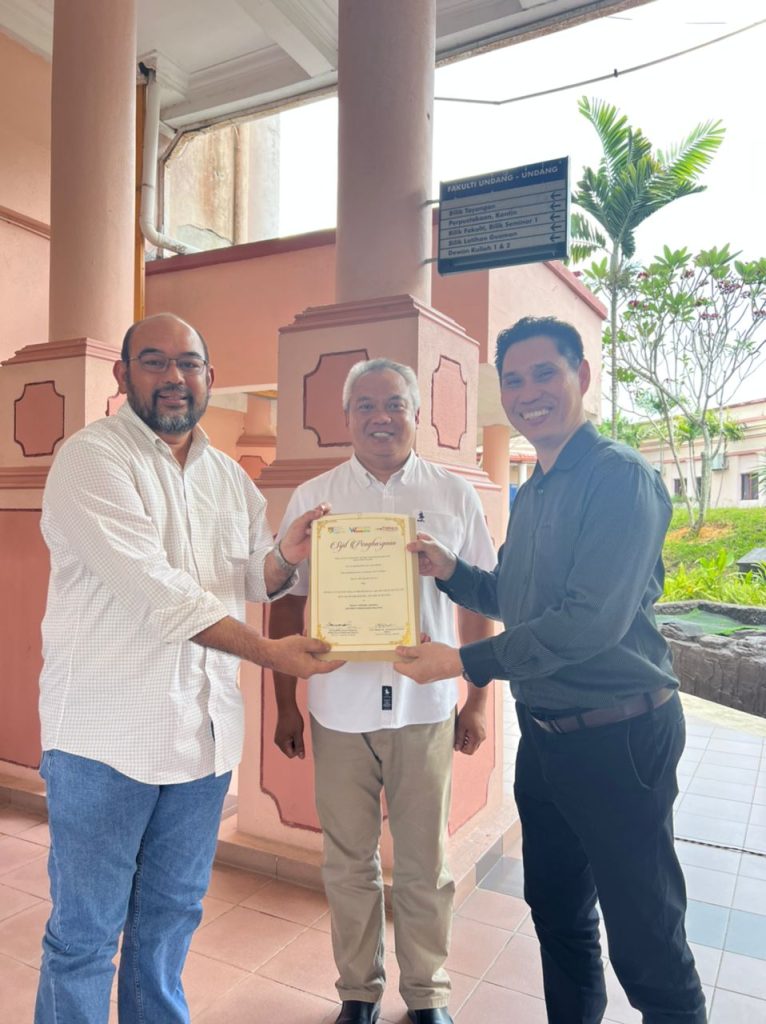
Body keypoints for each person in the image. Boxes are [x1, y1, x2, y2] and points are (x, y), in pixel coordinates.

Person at [395, 317, 706, 1024]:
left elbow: (588, 622)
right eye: (514, 380)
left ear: (582, 377)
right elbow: (513, 595)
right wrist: (450, 570)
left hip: (620, 736)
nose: (528, 392)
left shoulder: (620, 479)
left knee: (646, 936)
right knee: (558, 912)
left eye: (545, 374)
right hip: (546, 738)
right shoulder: (535, 487)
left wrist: (462, 662)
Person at [35, 312, 341, 1024]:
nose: (174, 377)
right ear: (123, 375)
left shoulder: (229, 477)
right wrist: (269, 653)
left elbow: (247, 576)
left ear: (210, 377)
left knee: (169, 921)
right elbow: (158, 593)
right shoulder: (91, 459)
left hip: (202, 742)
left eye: (189, 364)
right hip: (104, 742)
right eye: (154, 361)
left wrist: (286, 556)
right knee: (85, 937)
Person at [269, 358, 496, 1024]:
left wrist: (478, 699)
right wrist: (285, 703)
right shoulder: (315, 499)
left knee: (426, 864)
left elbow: (479, 602)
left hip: (425, 709)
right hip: (338, 709)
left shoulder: (454, 495)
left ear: (416, 414)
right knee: (348, 863)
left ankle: (427, 995)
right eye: (365, 405)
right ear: (347, 417)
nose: (380, 417)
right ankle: (358, 992)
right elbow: (286, 603)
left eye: (394, 403)